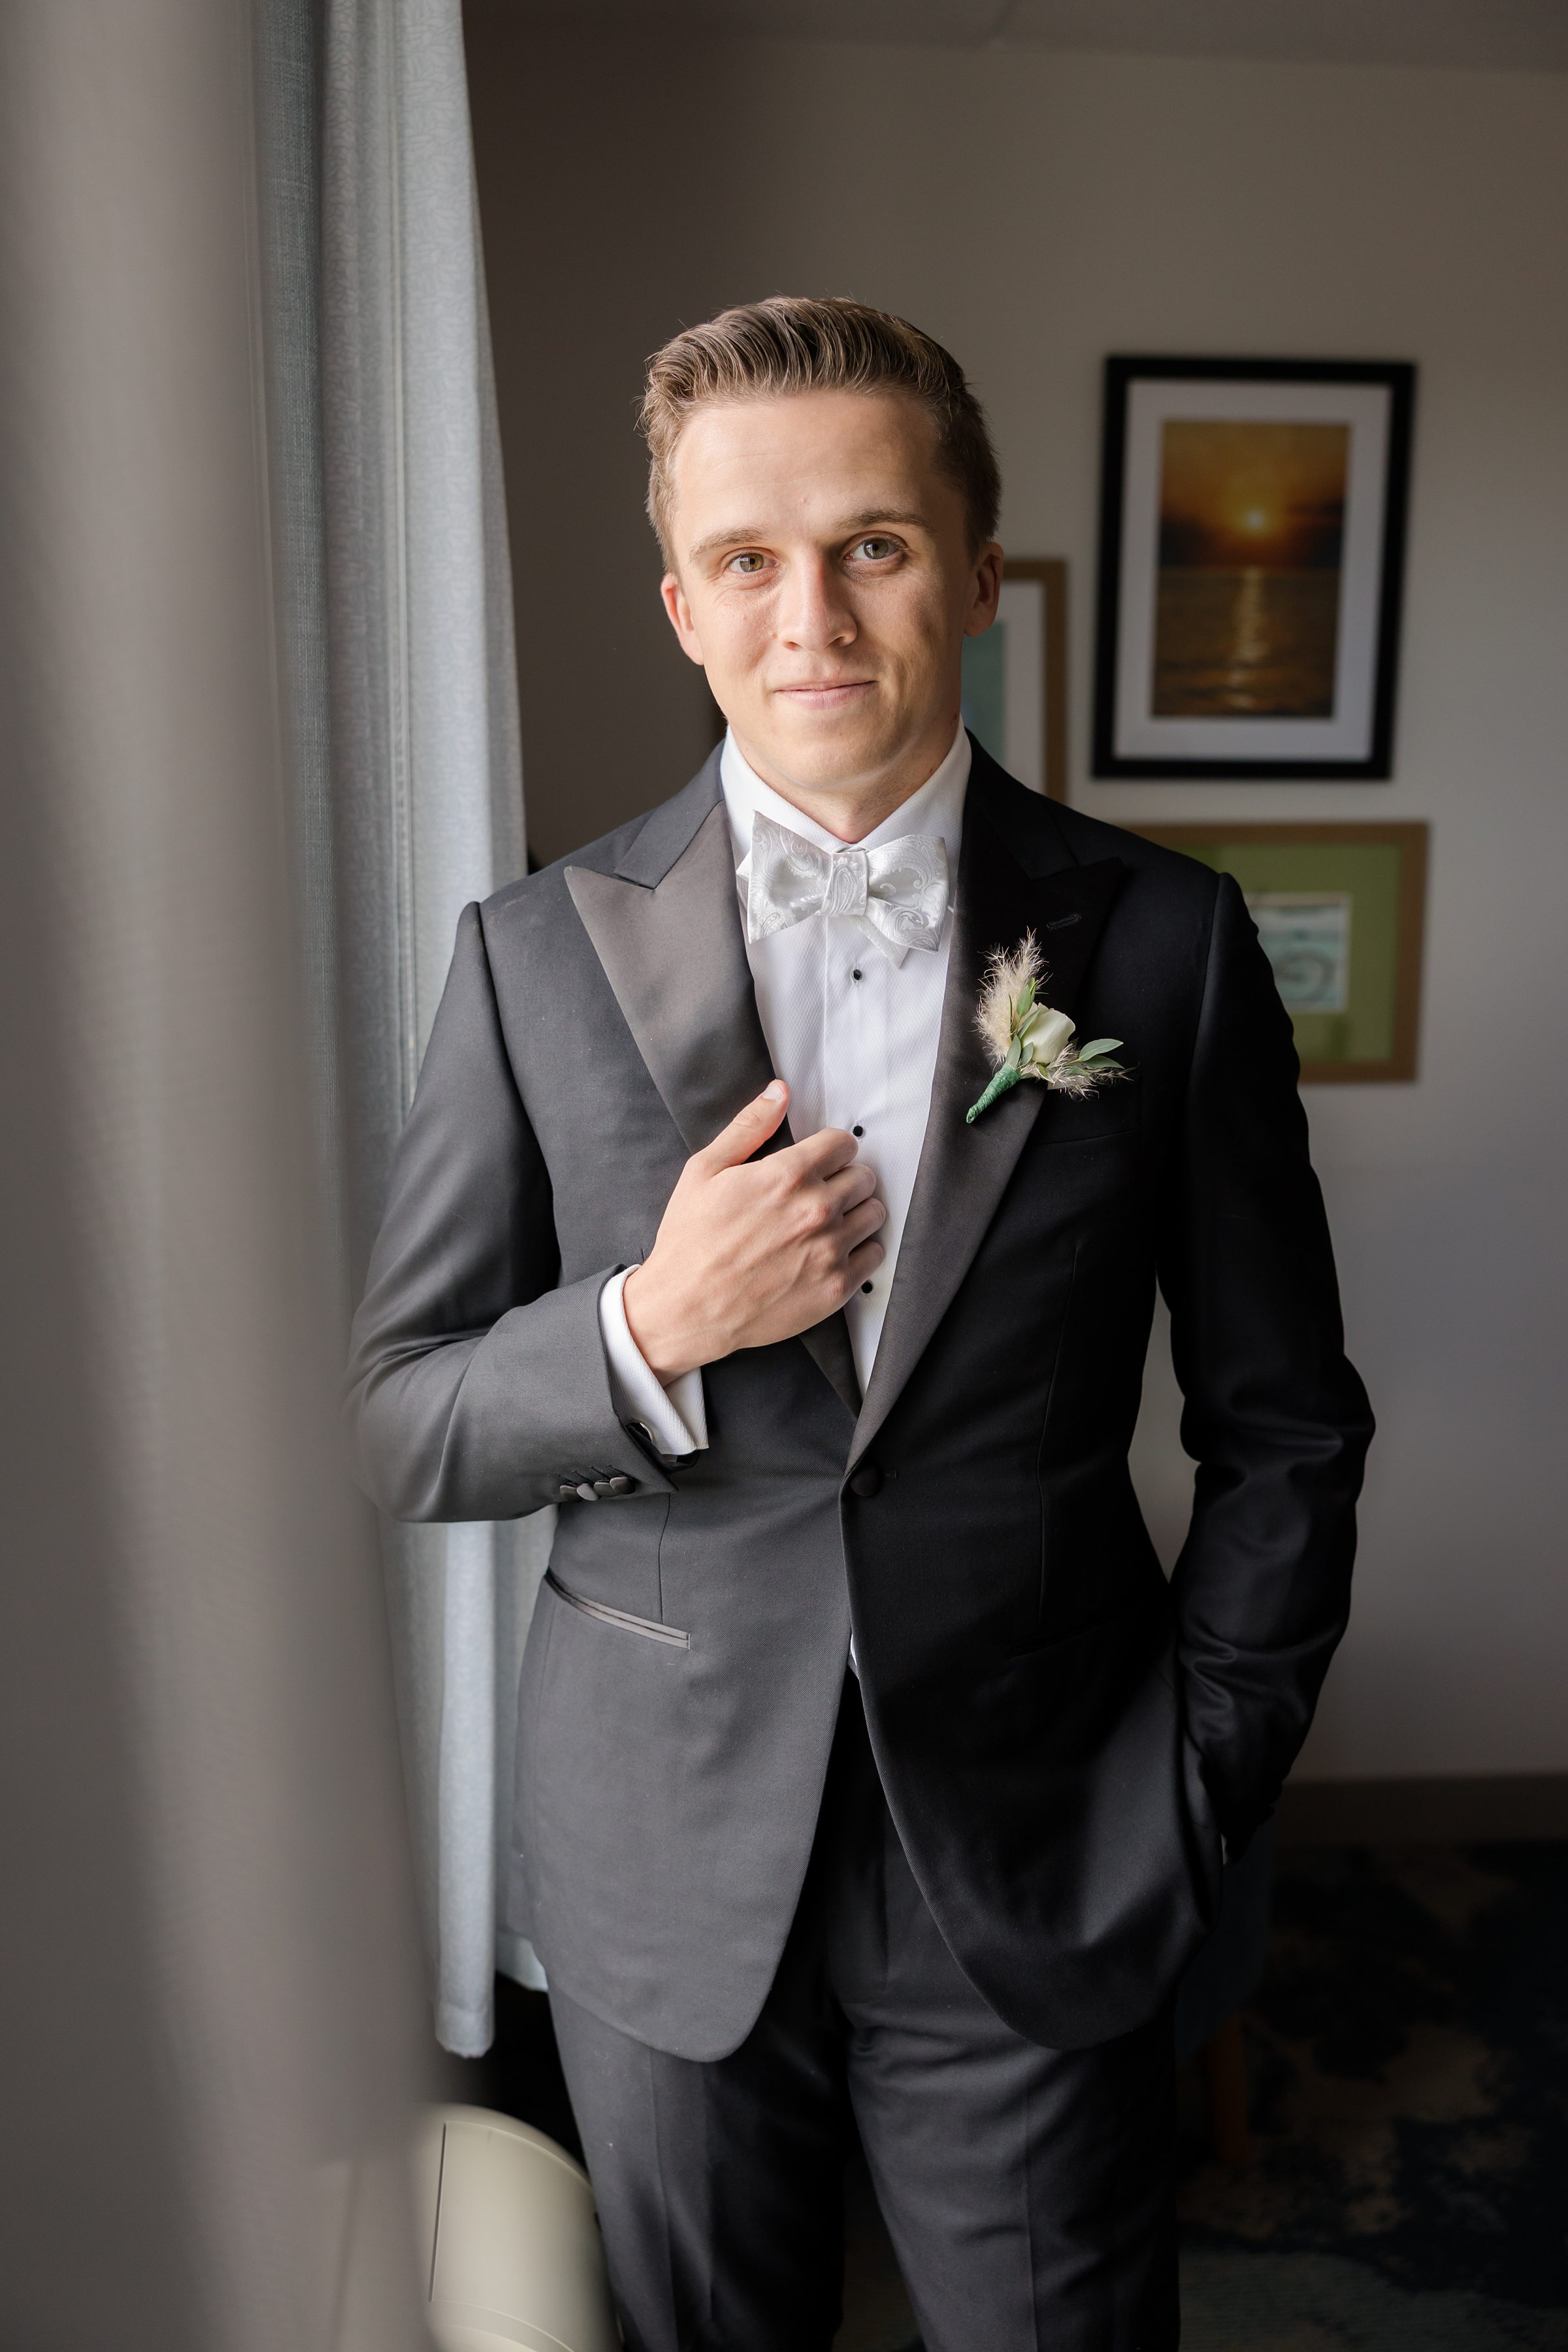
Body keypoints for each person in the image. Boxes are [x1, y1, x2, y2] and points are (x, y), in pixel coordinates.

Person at [348, 295, 1373, 2351]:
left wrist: (1202, 1779)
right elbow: (395, 1417)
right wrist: (648, 1324)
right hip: (660, 1856)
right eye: (747, 559)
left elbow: (1286, 1429)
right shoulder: (529, 953)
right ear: (681, 606)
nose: (810, 616)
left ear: (977, 573)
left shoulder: (1163, 943)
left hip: (1046, 1836)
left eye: (873, 546)